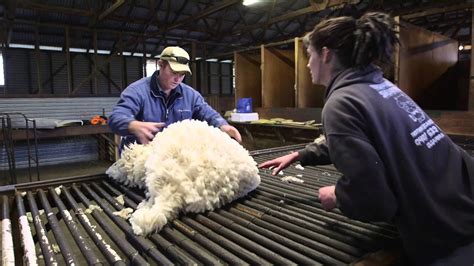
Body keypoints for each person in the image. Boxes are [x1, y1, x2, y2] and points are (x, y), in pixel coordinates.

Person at [259, 12, 474, 265]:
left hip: (447, 237)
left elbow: (376, 200)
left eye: (310, 55)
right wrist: (301, 154)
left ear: (326, 54)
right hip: (463, 202)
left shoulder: (340, 103)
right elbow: (375, 136)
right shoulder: (381, 86)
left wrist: (339, 195)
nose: (307, 64)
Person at [109, 46, 242, 151]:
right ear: (161, 65)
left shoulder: (190, 95)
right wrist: (132, 125)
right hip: (140, 160)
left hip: (170, 161)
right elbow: (116, 118)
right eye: (173, 72)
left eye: (182, 74)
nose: (178, 79)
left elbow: (207, 113)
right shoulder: (137, 91)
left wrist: (222, 125)